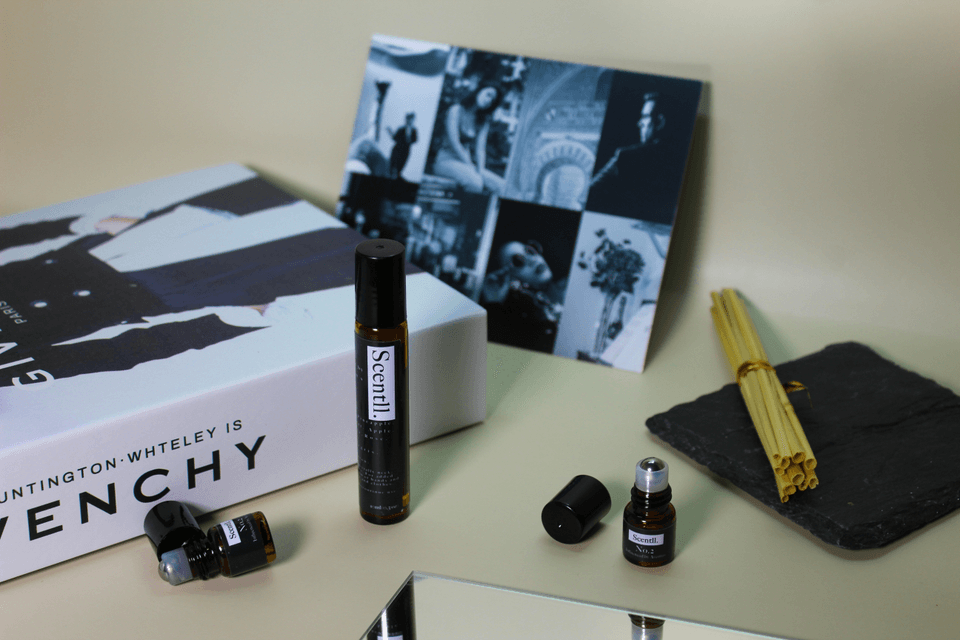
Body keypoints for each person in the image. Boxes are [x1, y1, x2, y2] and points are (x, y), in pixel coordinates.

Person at [586, 92, 681, 224]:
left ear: (660, 122)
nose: (639, 123)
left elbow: (586, 195)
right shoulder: (681, 161)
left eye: (645, 117)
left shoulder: (625, 157)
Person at [481, 240, 564, 353]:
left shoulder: (577, 281)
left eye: (530, 251)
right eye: (518, 261)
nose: (533, 260)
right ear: (511, 279)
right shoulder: (529, 331)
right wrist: (493, 303)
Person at [432, 84, 506, 194]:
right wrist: (471, 166)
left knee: (501, 186)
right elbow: (454, 143)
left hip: (465, 165)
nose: (489, 100)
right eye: (488, 94)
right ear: (479, 90)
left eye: (492, 100)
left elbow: (480, 149)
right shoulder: (456, 110)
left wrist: (480, 170)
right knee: (475, 183)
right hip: (445, 160)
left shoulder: (482, 121)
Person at [387, 112, 418, 179]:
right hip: (397, 150)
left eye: (411, 119)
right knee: (391, 169)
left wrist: (409, 136)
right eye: (408, 119)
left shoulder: (414, 130)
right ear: (406, 119)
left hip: (405, 152)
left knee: (399, 170)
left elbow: (415, 140)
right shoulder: (401, 129)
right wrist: (390, 132)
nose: (409, 121)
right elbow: (395, 138)